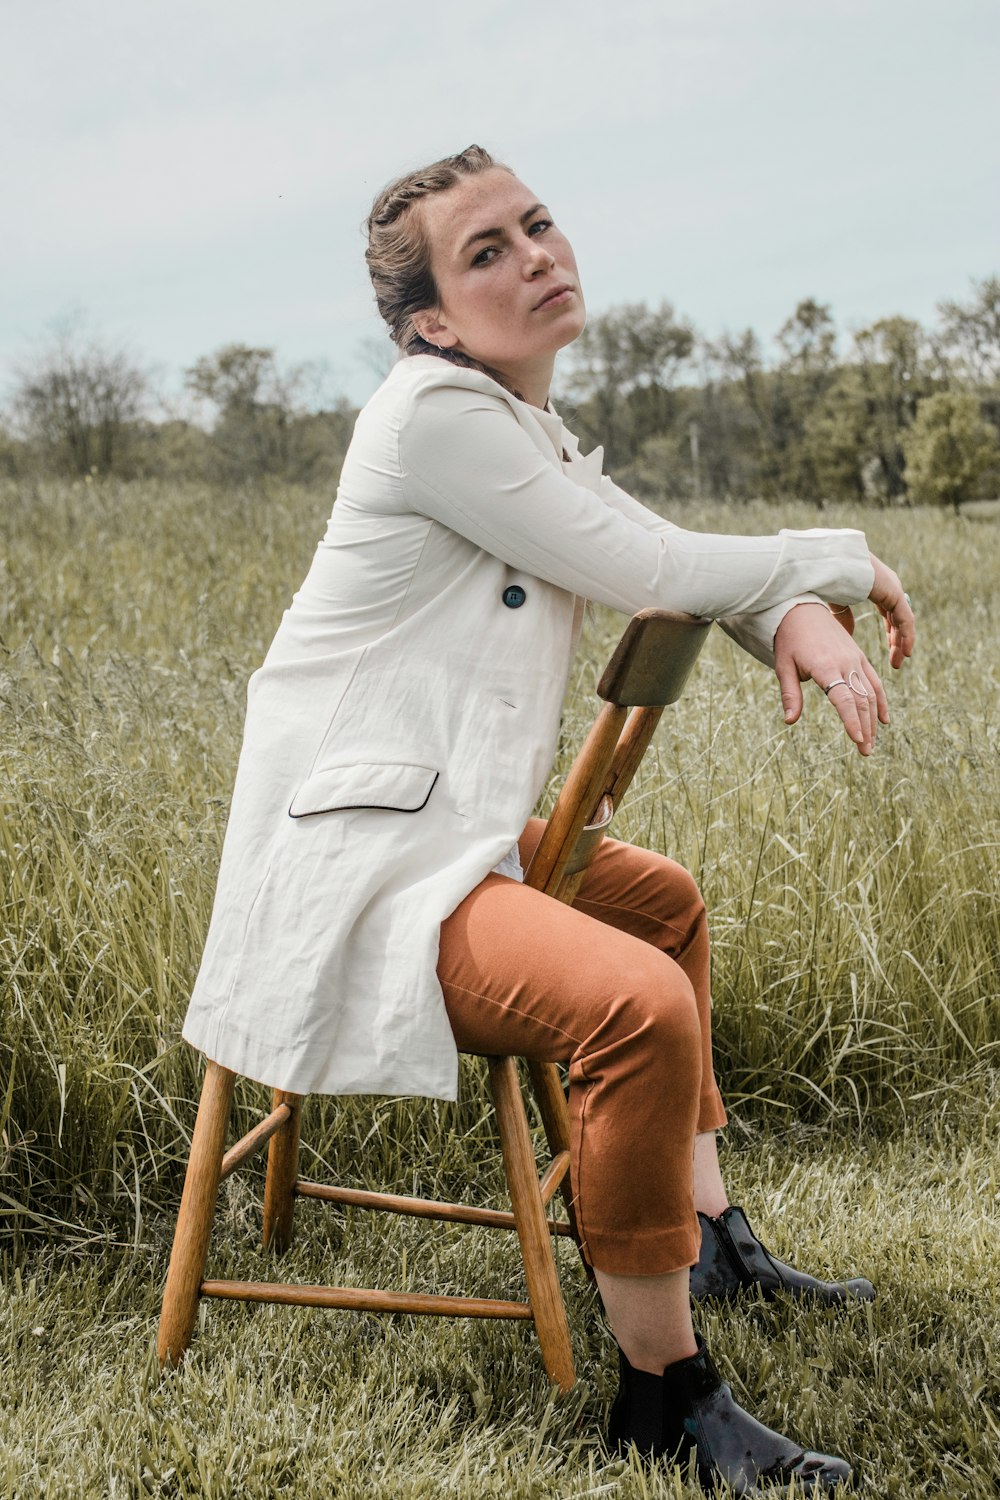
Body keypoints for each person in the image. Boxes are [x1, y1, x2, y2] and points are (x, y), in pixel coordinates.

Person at [181, 145, 914, 1493]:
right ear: (433, 326)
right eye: (487, 252)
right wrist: (834, 561)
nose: (534, 254)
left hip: (441, 839)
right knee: (635, 1004)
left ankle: (698, 1232)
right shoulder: (433, 420)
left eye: (538, 224)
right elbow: (648, 568)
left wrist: (787, 605)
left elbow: (655, 548)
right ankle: (665, 1394)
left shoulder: (523, 434)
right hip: (363, 868)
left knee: (663, 902)